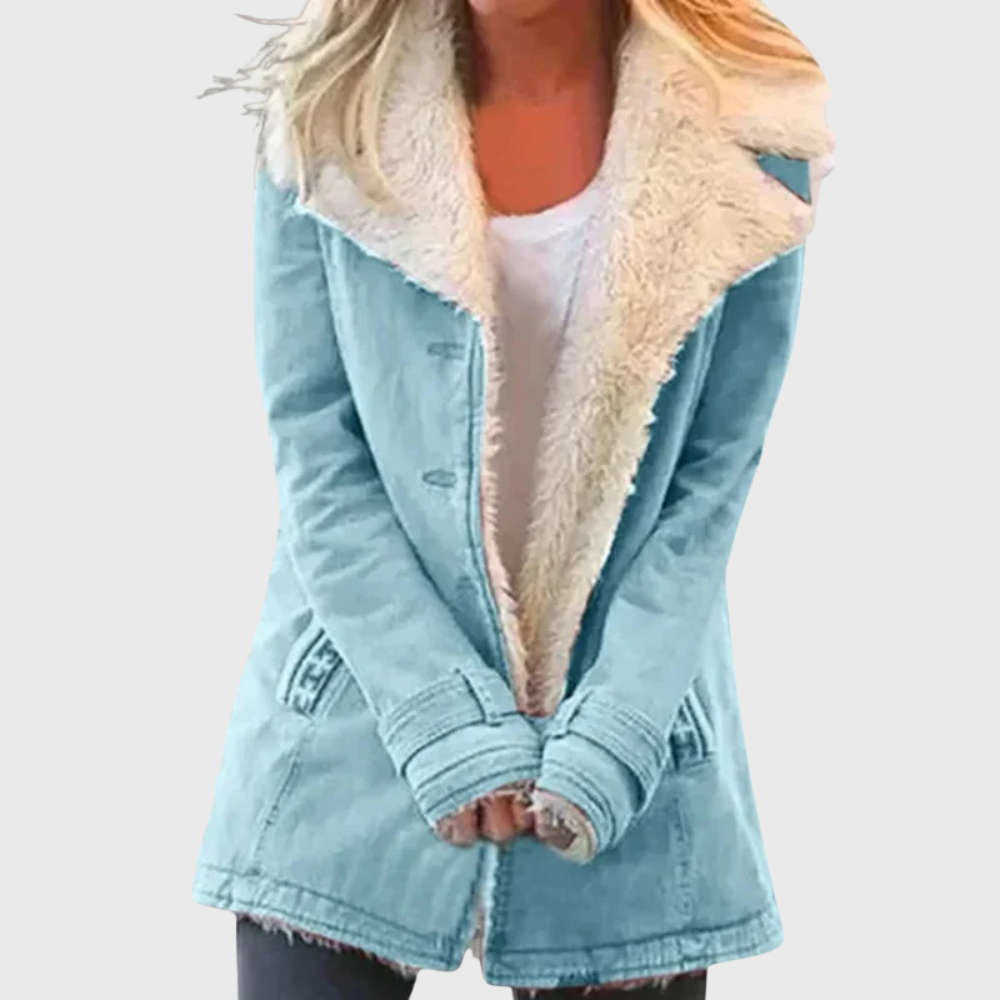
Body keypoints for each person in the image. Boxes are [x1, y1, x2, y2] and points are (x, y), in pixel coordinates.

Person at [191, 0, 835, 995]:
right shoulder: (325, 105)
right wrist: (437, 712)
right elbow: (318, 458)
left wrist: (618, 731)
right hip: (354, 719)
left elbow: (710, 485)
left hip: (633, 741)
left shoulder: (751, 121)